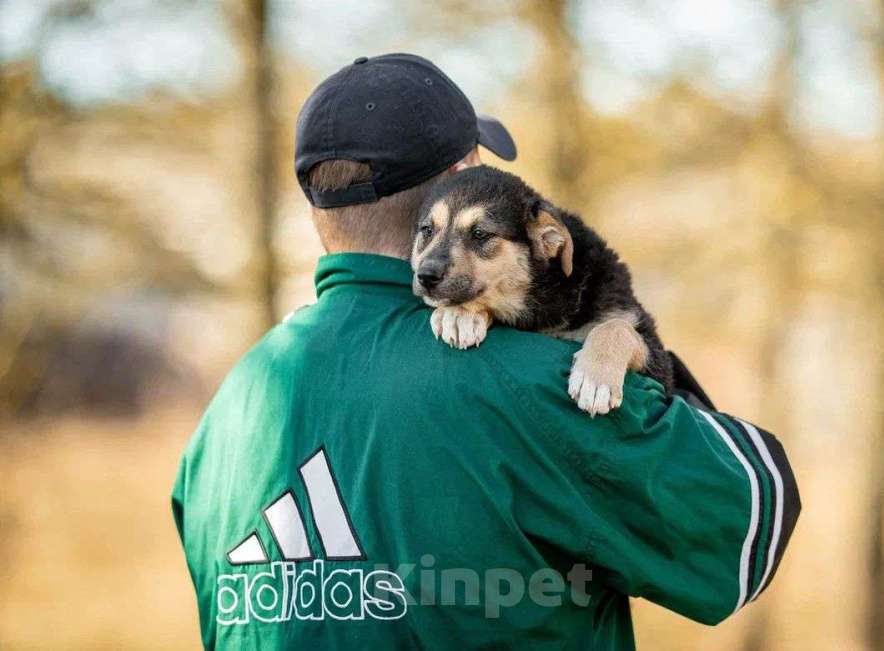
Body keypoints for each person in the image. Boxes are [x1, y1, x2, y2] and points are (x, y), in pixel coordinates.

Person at [172, 53, 800, 650]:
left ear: (319, 208)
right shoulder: (539, 388)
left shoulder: (224, 415)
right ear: (459, 180)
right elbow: (745, 525)